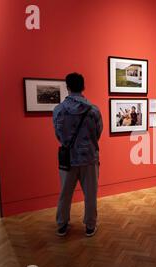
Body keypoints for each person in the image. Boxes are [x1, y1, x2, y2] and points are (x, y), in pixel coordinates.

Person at [53, 73, 103, 237]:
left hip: (68, 159)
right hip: (89, 158)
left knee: (65, 193)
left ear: (67, 87)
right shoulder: (93, 110)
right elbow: (98, 133)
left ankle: (62, 225)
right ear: (83, 87)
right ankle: (90, 226)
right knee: (90, 194)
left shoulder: (59, 110)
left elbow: (58, 135)